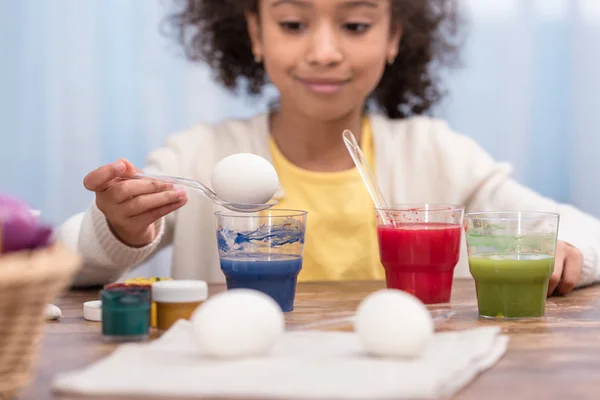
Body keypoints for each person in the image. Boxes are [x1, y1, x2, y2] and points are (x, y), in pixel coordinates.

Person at [56, 0, 600, 296]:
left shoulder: (434, 153)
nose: (323, 51)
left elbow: (582, 231)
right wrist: (121, 227)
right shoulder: (201, 155)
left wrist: (561, 250)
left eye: (356, 24)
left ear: (393, 37)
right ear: (255, 31)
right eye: (293, 23)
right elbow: (68, 262)